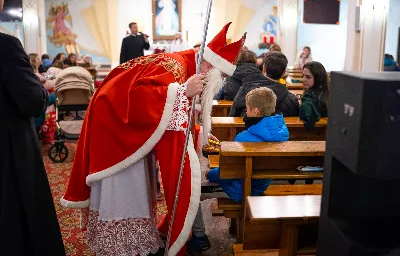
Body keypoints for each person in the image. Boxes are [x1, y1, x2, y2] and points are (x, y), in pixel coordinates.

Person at [61, 22, 245, 256]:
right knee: (125, 182)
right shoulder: (176, 66)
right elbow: (140, 98)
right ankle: (122, 244)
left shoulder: (184, 67)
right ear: (210, 68)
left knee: (138, 180)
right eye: (216, 79)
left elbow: (172, 116)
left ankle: (133, 240)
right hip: (117, 124)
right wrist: (181, 92)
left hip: (125, 123)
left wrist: (197, 132)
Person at [0, 0, 65, 254]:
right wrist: (42, 88)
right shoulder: (6, 45)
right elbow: (31, 102)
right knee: (17, 218)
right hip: (8, 150)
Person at [190, 87, 289, 253]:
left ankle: (199, 237)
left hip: (241, 190)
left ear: (255, 111)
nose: (246, 112)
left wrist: (210, 173)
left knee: (192, 193)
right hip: (262, 184)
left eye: (248, 109)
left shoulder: (244, 139)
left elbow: (227, 174)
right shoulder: (282, 132)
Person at [230, 51, 299, 117]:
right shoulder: (292, 99)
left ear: (264, 68)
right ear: (284, 72)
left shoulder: (246, 90)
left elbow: (233, 115)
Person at [299, 61, 329, 130]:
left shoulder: (309, 97)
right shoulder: (329, 93)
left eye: (308, 77)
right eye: (303, 75)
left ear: (318, 78)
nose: (303, 79)